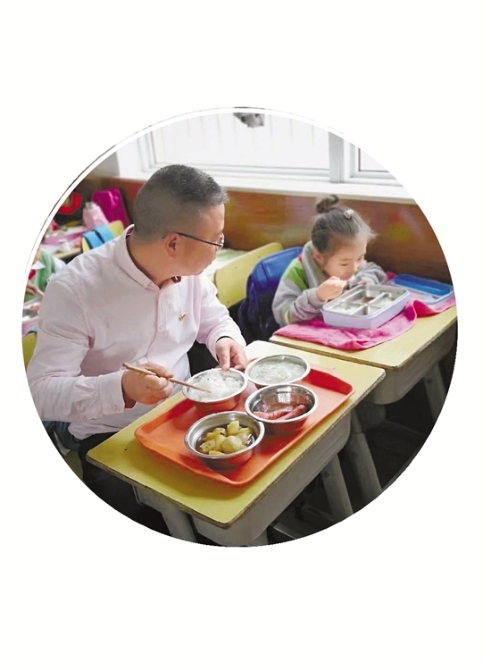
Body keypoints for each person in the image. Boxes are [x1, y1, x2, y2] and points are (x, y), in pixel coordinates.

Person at [27, 164, 247, 532]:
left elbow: (214, 319)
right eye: (216, 241)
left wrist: (226, 339)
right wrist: (121, 388)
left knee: (230, 504)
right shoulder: (75, 290)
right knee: (154, 526)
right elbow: (39, 394)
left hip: (181, 414)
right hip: (111, 435)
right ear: (173, 243)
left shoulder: (190, 273)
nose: (219, 249)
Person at [272, 195, 387, 326]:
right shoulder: (297, 272)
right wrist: (317, 296)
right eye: (344, 263)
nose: (354, 268)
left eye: (360, 258)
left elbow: (374, 270)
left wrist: (366, 281)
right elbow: (284, 316)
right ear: (319, 257)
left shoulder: (353, 261)